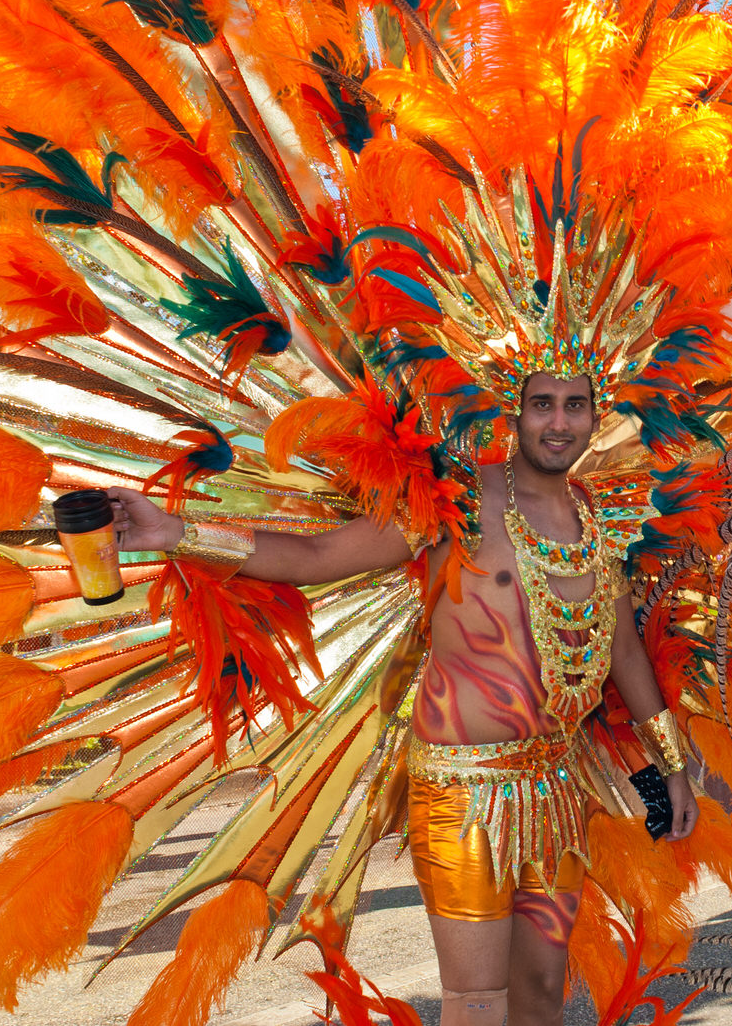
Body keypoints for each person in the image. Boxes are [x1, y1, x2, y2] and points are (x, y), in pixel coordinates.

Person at [110, 369, 699, 1026]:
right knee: (477, 1003)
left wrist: (669, 762)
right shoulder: (461, 505)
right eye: (542, 405)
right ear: (517, 412)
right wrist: (175, 533)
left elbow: (621, 650)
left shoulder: (596, 521)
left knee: (538, 1000)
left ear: (593, 417)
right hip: (463, 791)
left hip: (553, 787)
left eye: (574, 406)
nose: (558, 422)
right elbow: (317, 555)